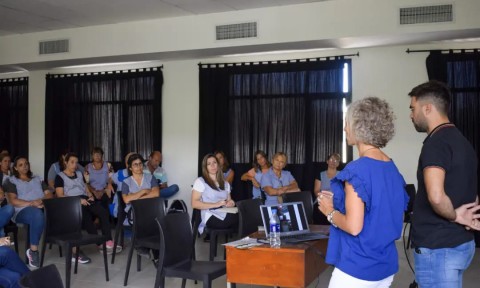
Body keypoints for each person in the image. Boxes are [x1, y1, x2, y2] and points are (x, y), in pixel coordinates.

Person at [317, 97, 409, 287]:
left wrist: (329, 211)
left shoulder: (356, 170)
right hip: (385, 267)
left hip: (357, 268)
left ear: (359, 126)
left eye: (347, 123)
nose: (344, 129)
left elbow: (353, 227)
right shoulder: (391, 167)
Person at [408, 80, 480, 288]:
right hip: (460, 243)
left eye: (413, 108)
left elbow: (436, 196)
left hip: (438, 248)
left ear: (427, 108)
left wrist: (457, 215)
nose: (411, 115)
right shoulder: (462, 141)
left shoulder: (436, 142)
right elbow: (472, 193)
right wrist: (467, 219)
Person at [55, 153, 121, 263]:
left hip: (85, 199)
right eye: (72, 162)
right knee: (85, 216)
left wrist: (90, 194)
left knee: (103, 212)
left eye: (76, 162)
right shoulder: (60, 177)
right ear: (65, 162)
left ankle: (108, 240)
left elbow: (85, 187)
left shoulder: (79, 174)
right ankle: (100, 244)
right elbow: (60, 195)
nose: (75, 165)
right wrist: (78, 201)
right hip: (71, 203)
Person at [4, 156, 53, 268]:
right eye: (20, 165)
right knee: (37, 214)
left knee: (58, 212)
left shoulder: (37, 178)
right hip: (22, 210)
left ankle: (72, 247)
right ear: (15, 168)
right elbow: (13, 201)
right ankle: (33, 251)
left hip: (41, 206)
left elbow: (49, 194)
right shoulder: (11, 181)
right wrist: (32, 203)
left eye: (26, 163)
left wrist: (41, 201)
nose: (24, 166)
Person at [122, 153, 160, 259]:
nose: (138, 167)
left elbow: (156, 193)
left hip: (150, 210)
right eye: (135, 165)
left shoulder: (150, 178)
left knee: (155, 222)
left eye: (140, 164)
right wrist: (144, 191)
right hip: (134, 211)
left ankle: (144, 248)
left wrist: (135, 197)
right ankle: (150, 252)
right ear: (130, 167)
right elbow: (126, 199)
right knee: (148, 222)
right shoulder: (126, 182)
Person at [191, 154, 238, 236]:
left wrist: (231, 203)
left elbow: (229, 200)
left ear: (218, 165)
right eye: (209, 164)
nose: (212, 166)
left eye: (214, 163)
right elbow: (194, 204)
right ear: (205, 167)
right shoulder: (200, 181)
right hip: (210, 214)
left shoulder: (225, 183)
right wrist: (216, 204)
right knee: (241, 219)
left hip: (224, 211)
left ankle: (242, 246)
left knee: (242, 216)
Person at [0, 152, 14, 238]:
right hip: (3, 200)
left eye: (9, 161)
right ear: (0, 162)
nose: (7, 163)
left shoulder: (13, 174)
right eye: (5, 161)